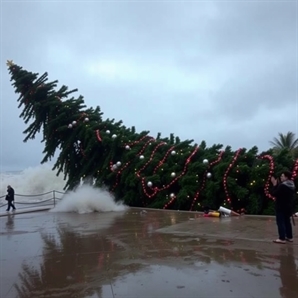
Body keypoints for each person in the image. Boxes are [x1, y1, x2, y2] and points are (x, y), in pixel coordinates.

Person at [271, 171, 295, 244]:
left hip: (281, 206)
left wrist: (274, 185)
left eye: (282, 176)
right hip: (288, 206)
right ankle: (289, 237)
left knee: (280, 222)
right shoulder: (292, 185)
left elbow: (274, 193)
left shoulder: (282, 186)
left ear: (286, 177)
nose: (281, 177)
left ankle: (282, 238)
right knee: (287, 222)